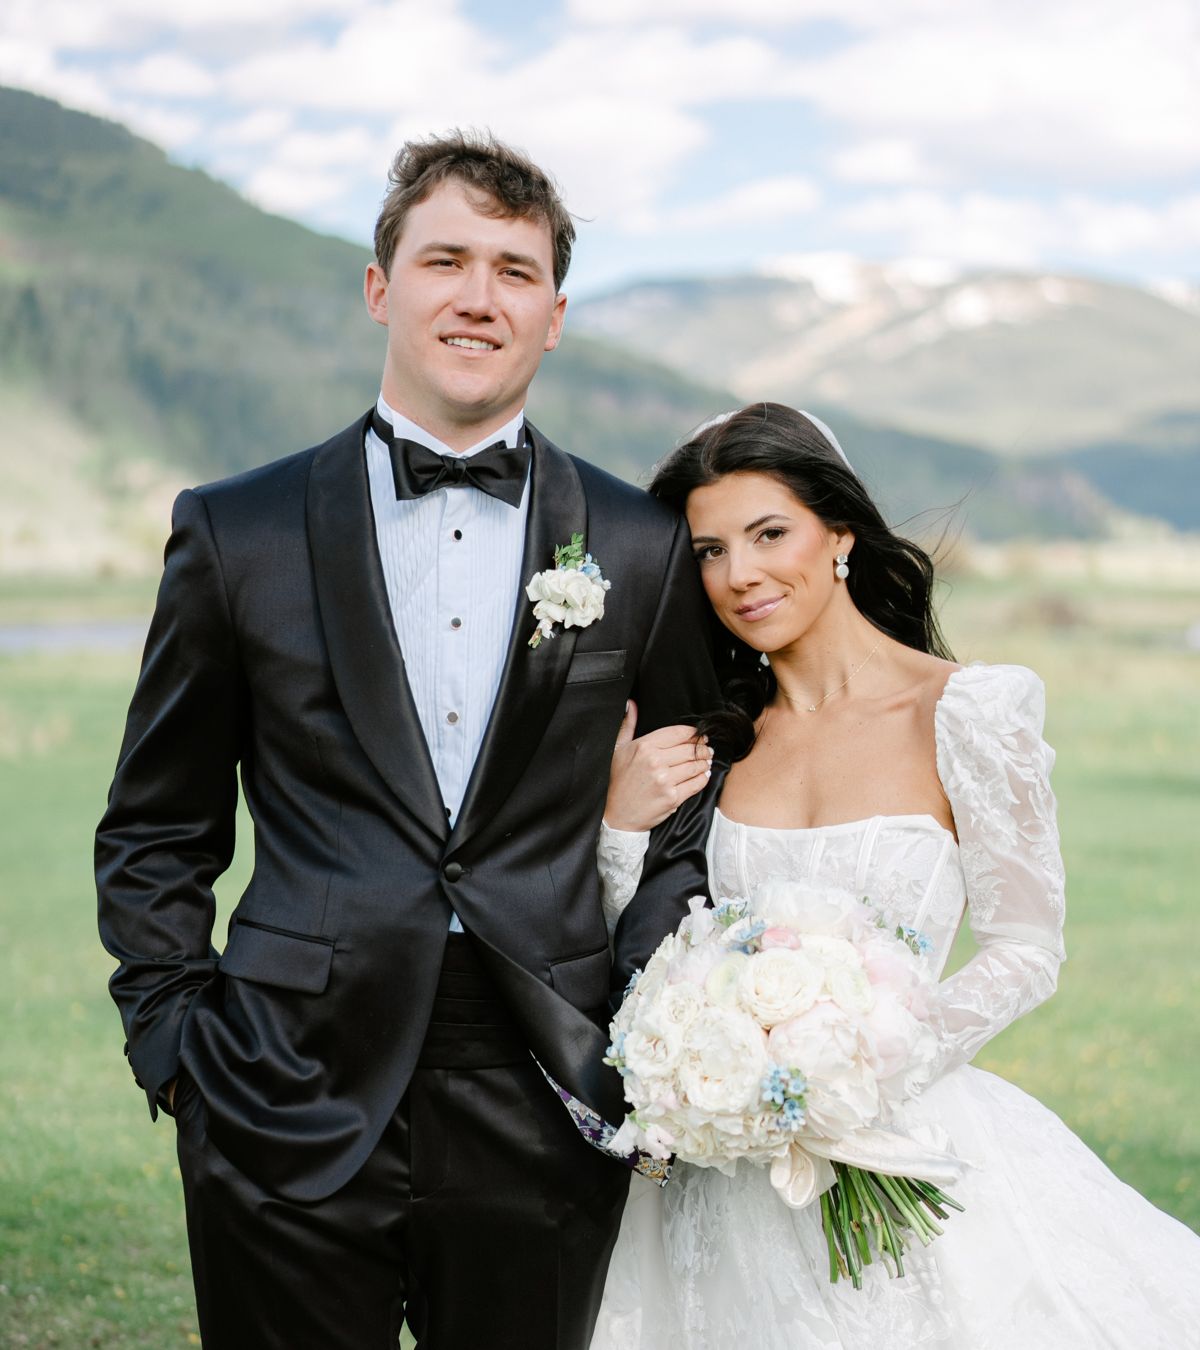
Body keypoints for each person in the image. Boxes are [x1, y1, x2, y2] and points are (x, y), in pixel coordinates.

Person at [95, 131, 718, 1350]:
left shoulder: (641, 544)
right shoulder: (236, 530)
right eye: (446, 261)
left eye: (514, 271)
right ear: (381, 289)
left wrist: (639, 1032)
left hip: (544, 1093)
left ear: (553, 317)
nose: (479, 297)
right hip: (280, 1081)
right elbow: (158, 824)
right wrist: (176, 1047)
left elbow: (687, 821)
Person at [589, 402, 1200, 1349]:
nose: (739, 573)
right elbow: (637, 945)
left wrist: (856, 1073)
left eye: (769, 533)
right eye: (710, 550)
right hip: (724, 1180)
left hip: (905, 1134)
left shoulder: (969, 712)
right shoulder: (712, 735)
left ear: (840, 532)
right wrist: (621, 826)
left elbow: (1026, 947)